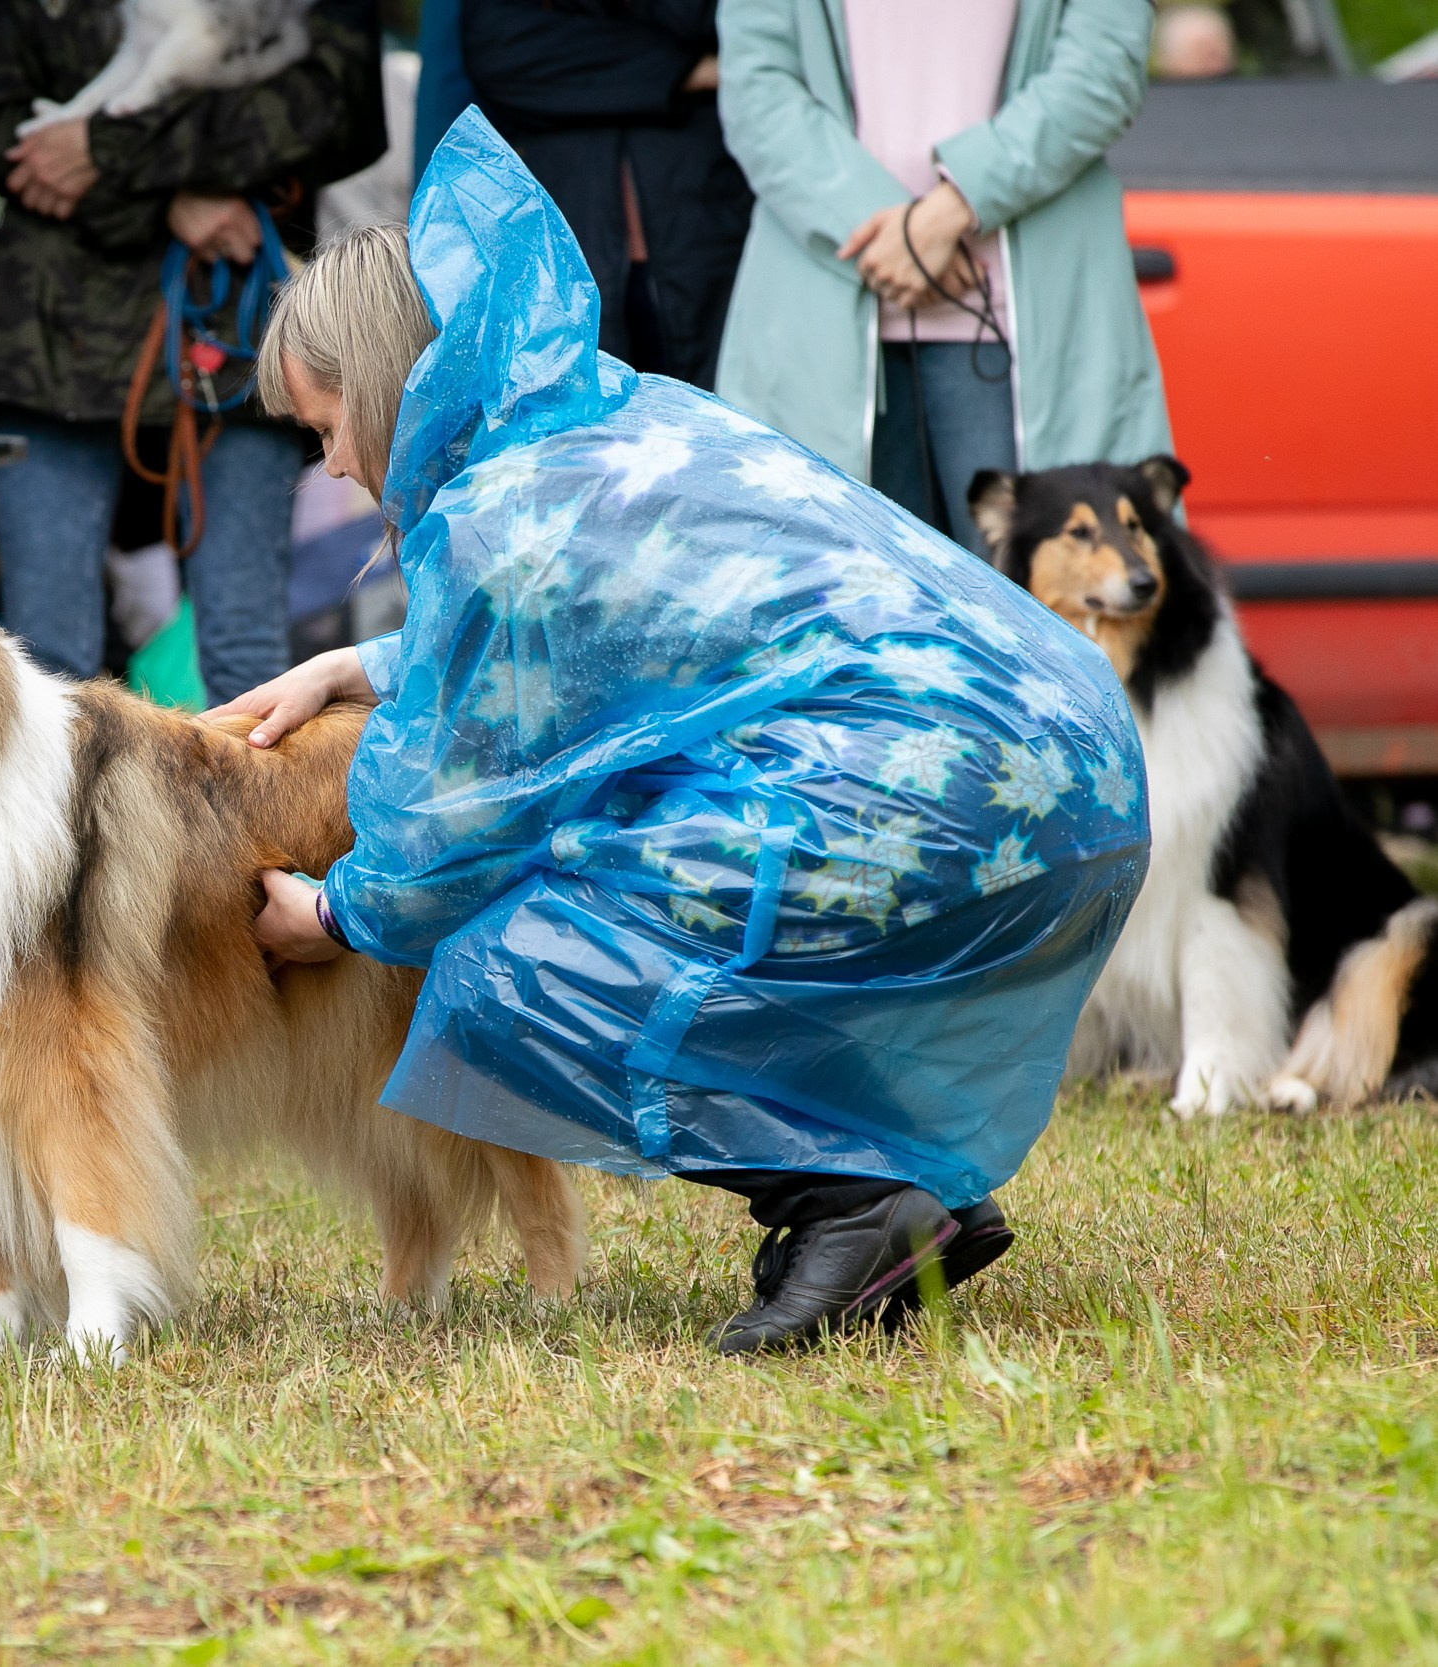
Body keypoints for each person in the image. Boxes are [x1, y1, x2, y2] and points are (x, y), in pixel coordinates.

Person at [219, 114, 1149, 1352]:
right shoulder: (602, 421)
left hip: (940, 795)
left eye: (325, 428)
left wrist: (331, 917)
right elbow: (627, 651)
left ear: (393, 388)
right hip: (1070, 767)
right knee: (686, 865)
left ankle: (850, 1200)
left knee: (506, 952)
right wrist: (354, 663)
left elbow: (450, 820)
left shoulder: (498, 517)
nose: (329, 468)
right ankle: (908, 1191)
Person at [0, 0, 385, 704]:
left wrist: (110, 151)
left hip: (239, 331)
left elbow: (340, 104)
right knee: (44, 668)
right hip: (52, 337)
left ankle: (249, 819)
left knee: (244, 654)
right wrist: (170, 200)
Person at [713, 0, 1171, 555]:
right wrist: (896, 233)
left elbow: (1101, 72)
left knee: (1030, 614)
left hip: (1022, 323)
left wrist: (954, 207)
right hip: (822, 318)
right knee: (839, 603)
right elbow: (756, 86)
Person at [458, 0, 747, 385]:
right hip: (578, 259)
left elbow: (714, 21)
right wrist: (692, 70)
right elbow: (501, 48)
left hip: (712, 246)